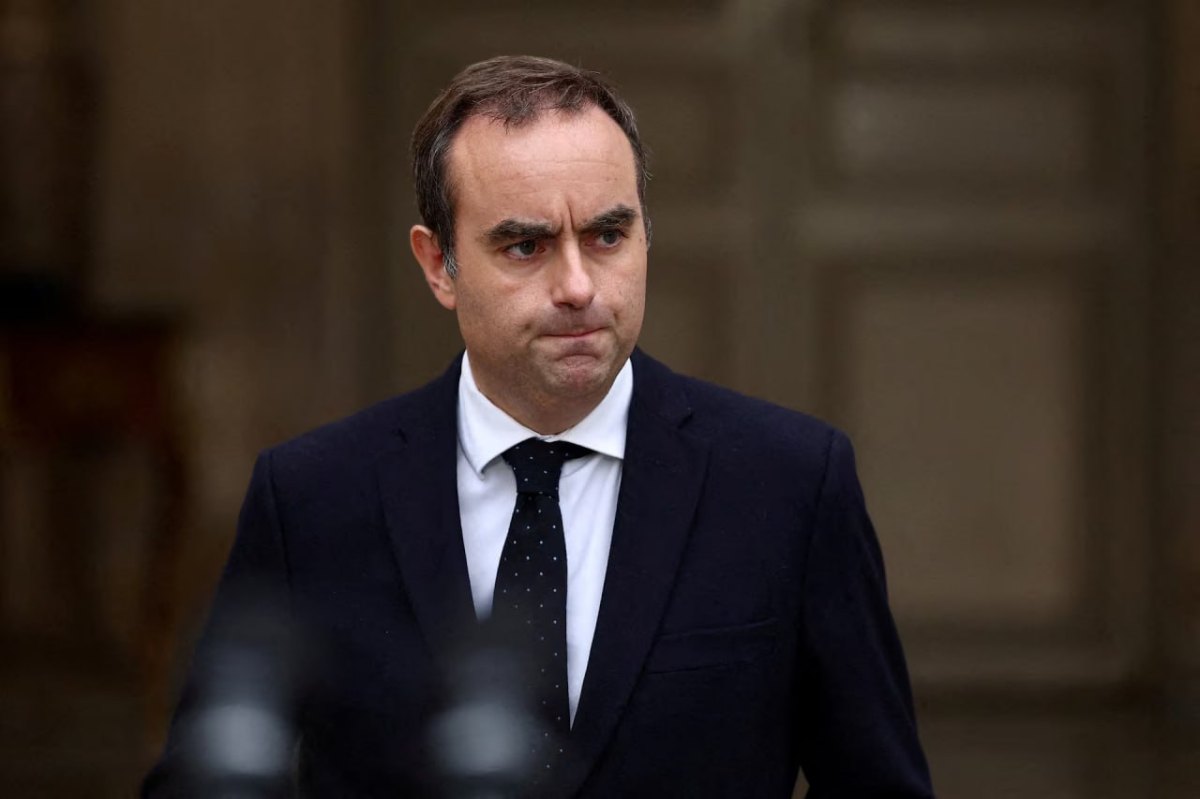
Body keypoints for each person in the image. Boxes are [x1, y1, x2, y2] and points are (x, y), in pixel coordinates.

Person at [145, 55, 933, 798]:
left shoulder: (789, 484)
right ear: (438, 264)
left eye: (608, 235)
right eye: (525, 245)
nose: (578, 285)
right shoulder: (312, 498)